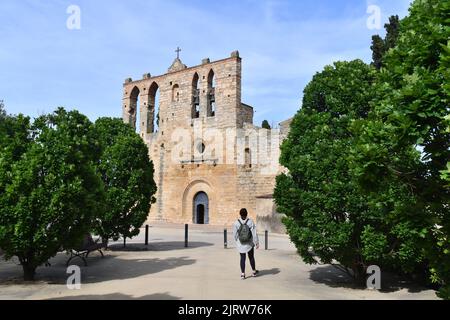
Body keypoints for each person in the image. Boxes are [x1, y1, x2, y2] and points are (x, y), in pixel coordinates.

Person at [233, 208, 259, 280]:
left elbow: (234, 235)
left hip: (241, 243)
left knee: (242, 258)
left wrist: (237, 241)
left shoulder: (236, 223)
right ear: (247, 214)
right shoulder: (250, 222)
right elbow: (254, 233)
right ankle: (254, 272)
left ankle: (243, 274)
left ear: (240, 214)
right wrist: (256, 242)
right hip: (249, 243)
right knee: (251, 257)